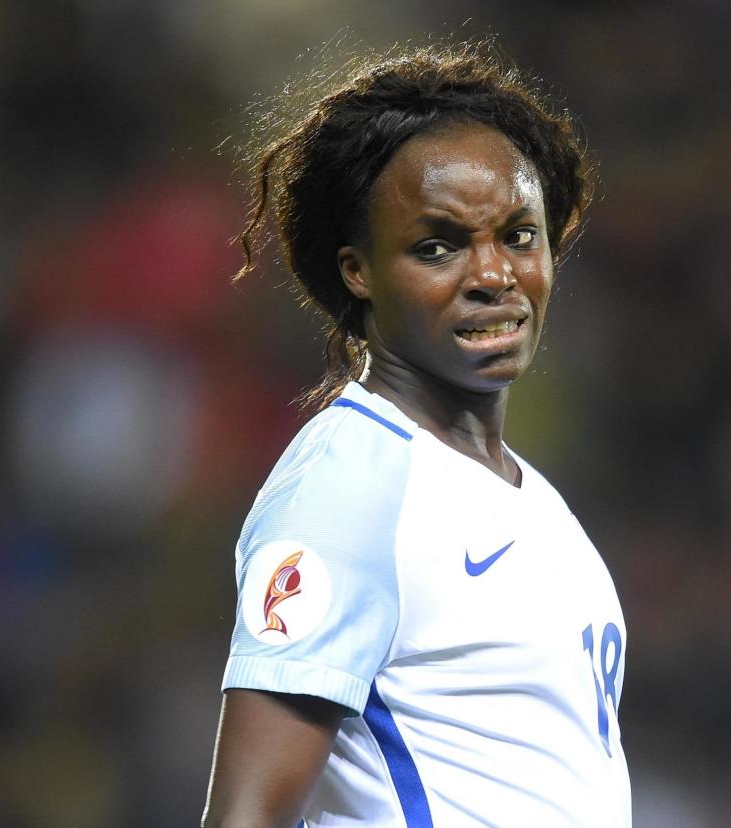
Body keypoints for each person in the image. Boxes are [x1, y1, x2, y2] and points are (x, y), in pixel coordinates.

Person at [202, 40, 629, 827]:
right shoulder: (351, 487)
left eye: (518, 235)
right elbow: (246, 814)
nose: (493, 274)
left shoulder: (532, 499)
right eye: (438, 246)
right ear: (358, 271)